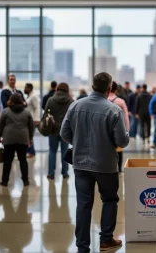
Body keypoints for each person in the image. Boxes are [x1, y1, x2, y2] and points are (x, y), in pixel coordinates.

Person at [60, 72, 129, 253]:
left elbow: (64, 133)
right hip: (106, 164)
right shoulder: (114, 110)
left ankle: (82, 247)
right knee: (109, 199)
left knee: (83, 204)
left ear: (92, 87)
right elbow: (122, 141)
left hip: (80, 163)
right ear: (109, 89)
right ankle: (106, 240)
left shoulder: (75, 106)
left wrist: (79, 143)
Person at [0, 94, 34, 187]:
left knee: (7, 161)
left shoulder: (6, 111)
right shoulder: (27, 112)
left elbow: (0, 125)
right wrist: (30, 138)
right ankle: (25, 181)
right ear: (21, 100)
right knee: (22, 159)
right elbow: (31, 127)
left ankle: (4, 181)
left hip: (8, 139)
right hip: (23, 138)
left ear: (10, 101)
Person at [45, 83, 74, 180]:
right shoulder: (71, 101)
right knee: (65, 151)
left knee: (52, 151)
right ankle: (65, 173)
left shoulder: (51, 100)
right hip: (65, 131)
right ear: (67, 90)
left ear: (57, 89)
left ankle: (51, 173)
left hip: (53, 129)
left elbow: (46, 113)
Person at [108, 81, 130, 173]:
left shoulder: (102, 100)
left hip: (105, 129)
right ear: (116, 90)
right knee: (119, 150)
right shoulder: (120, 101)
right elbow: (125, 117)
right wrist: (127, 130)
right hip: (118, 129)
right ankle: (119, 169)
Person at [24, 83, 40, 158]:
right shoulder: (29, 96)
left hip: (33, 120)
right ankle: (31, 151)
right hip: (28, 120)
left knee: (30, 136)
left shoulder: (33, 96)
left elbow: (37, 108)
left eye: (25, 88)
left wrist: (37, 119)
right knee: (29, 136)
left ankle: (31, 152)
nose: (24, 89)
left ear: (29, 88)